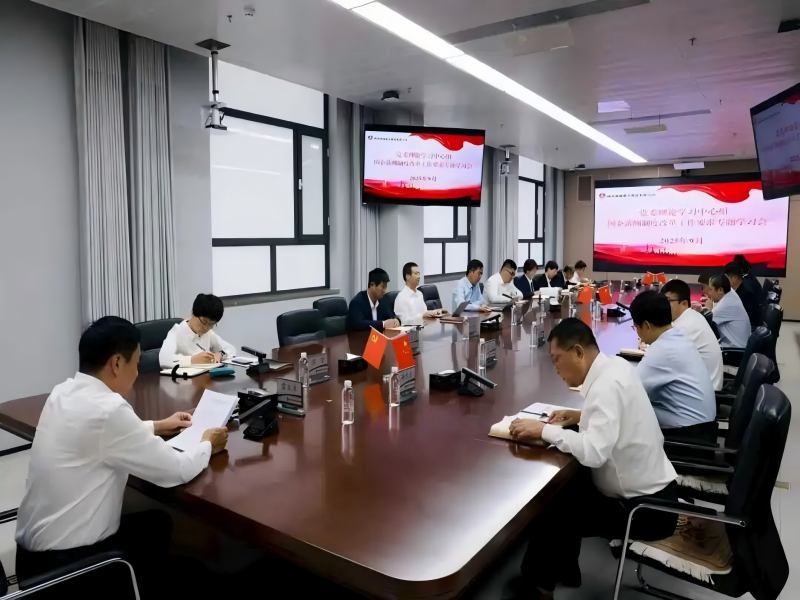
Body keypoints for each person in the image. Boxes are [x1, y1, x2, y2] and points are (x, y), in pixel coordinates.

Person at [15, 316, 229, 596]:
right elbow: (175, 471)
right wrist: (207, 444)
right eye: (136, 364)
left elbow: (94, 436)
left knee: (156, 523)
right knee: (186, 568)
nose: (138, 373)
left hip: (29, 559)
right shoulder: (109, 410)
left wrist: (156, 425)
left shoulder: (63, 392)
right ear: (116, 363)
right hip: (69, 570)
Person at [508, 318, 678, 599]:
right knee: (568, 488)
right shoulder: (615, 367)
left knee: (554, 510)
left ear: (578, 352)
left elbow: (594, 452)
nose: (555, 369)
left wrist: (544, 430)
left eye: (557, 359)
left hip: (644, 510)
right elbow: (615, 417)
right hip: (658, 494)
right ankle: (565, 569)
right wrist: (580, 416)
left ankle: (538, 588)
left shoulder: (604, 387)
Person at [630, 291, 717, 442]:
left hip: (688, 438)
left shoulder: (662, 350)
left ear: (646, 325)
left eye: (635, 327)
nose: (637, 333)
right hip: (701, 426)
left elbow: (630, 391)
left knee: (627, 416)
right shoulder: (677, 335)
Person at [661, 280, 723, 391]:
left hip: (705, 392)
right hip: (702, 386)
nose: (663, 306)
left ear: (684, 303)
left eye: (668, 301)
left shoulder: (685, 327)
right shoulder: (692, 316)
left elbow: (663, 360)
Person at [159, 293, 236, 368]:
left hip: (205, 374)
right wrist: (192, 360)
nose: (206, 328)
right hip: (183, 376)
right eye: (204, 322)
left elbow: (231, 349)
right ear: (193, 313)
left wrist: (220, 354)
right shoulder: (177, 332)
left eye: (211, 324)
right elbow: (164, 360)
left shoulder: (209, 333)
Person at [346, 267, 401, 332]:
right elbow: (358, 324)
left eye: (386, 287)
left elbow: (391, 316)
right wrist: (383, 324)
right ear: (372, 285)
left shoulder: (384, 300)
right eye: (383, 287)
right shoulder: (356, 302)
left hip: (379, 337)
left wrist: (397, 321)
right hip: (361, 337)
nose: (385, 291)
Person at [707, 273, 751, 349]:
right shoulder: (730, 293)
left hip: (734, 350)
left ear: (720, 290)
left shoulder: (725, 305)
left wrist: (707, 309)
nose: (709, 293)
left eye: (711, 289)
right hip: (740, 345)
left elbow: (704, 323)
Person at [724, 261, 762, 329]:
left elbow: (744, 319)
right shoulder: (743, 284)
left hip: (751, 328)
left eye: (726, 278)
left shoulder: (746, 293)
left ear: (734, 278)